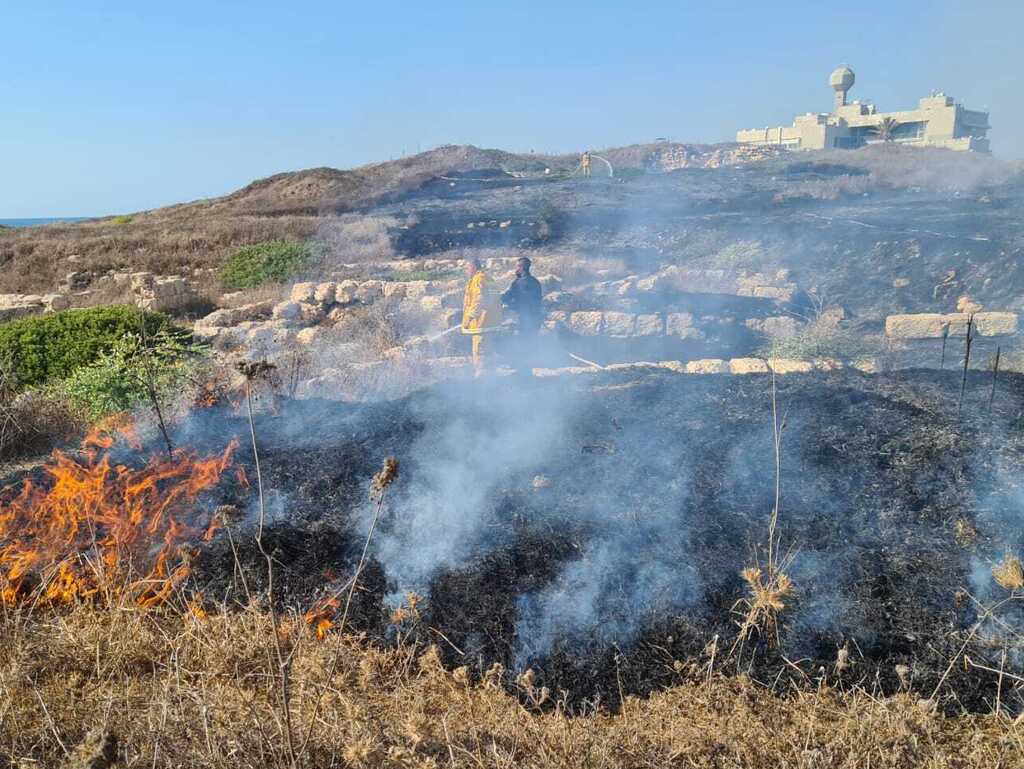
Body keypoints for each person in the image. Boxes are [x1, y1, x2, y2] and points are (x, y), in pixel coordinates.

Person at [461, 257, 502, 375]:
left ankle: (481, 379)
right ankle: (491, 377)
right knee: (488, 351)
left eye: (467, 267)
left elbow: (479, 300)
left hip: (481, 323)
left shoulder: (478, 280)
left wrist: (469, 317)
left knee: (480, 352)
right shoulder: (488, 278)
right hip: (491, 321)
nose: (465, 270)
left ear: (473, 267)